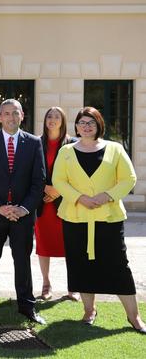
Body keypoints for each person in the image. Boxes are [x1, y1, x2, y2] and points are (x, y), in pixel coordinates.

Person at [52, 107, 145, 334]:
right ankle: (89, 310)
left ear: (99, 125)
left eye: (91, 122)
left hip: (108, 217)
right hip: (75, 217)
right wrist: (80, 198)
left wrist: (106, 196)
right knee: (81, 264)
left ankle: (134, 317)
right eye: (82, 122)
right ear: (76, 126)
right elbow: (59, 180)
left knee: (118, 266)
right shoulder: (66, 151)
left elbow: (129, 178)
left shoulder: (115, 149)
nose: (86, 126)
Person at [0, 98, 46, 324]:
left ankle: (27, 306)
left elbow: (39, 180)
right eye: (6, 113)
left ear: (22, 115)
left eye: (15, 113)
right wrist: (0, 207)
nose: (11, 117)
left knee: (22, 260)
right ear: (0, 117)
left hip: (23, 215)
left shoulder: (34, 143)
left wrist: (23, 209)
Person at [35, 107, 79, 301]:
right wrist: (46, 188)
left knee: (70, 244)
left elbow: (77, 175)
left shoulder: (72, 144)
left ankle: (73, 287)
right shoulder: (36, 143)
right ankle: (46, 285)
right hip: (43, 202)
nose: (52, 120)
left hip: (66, 202)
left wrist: (58, 190)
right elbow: (31, 171)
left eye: (57, 117)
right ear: (45, 121)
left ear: (63, 121)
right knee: (43, 244)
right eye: (49, 116)